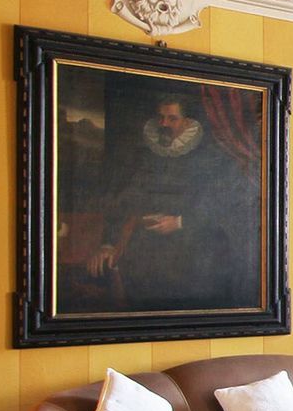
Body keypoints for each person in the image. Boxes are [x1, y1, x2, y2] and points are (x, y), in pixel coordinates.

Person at [88, 95, 258, 311]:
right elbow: (126, 199)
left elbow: (220, 202)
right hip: (146, 244)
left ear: (187, 122)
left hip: (195, 242)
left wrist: (179, 222)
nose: (164, 124)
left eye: (172, 118)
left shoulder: (210, 154)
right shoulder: (144, 154)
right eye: (161, 117)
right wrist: (108, 243)